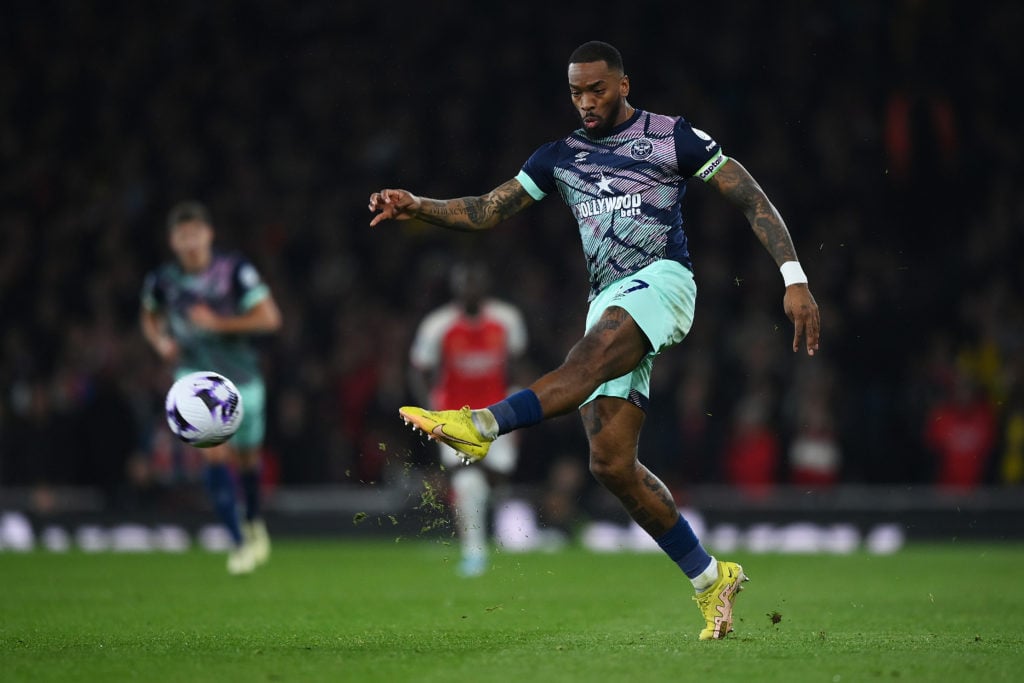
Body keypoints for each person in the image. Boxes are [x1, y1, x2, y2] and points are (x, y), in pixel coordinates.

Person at [370, 41, 820, 640]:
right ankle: (710, 576)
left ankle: (480, 425)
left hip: (663, 281)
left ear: (624, 85)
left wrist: (794, 278)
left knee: (583, 363)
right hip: (608, 299)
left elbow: (747, 193)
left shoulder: (671, 137)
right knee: (611, 463)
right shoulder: (560, 157)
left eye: (597, 90)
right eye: (577, 92)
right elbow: (488, 208)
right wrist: (417, 205)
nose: (586, 102)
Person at [141, 200, 282, 575]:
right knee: (214, 453)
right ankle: (237, 543)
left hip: (243, 378)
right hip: (195, 377)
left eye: (195, 233)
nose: (189, 242)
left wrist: (218, 324)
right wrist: (160, 343)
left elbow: (270, 318)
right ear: (173, 241)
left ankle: (252, 521)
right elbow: (149, 315)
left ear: (208, 234)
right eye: (182, 235)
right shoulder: (163, 280)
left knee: (248, 459)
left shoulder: (233, 271)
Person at [408, 262, 528, 576]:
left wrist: (520, 407)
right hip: (455, 417)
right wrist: (430, 413)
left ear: (486, 286)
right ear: (455, 287)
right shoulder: (438, 325)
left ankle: (503, 532)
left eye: (476, 282)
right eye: (465, 283)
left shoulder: (507, 320)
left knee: (496, 477)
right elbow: (418, 369)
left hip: (498, 414)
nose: (471, 289)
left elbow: (516, 366)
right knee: (467, 481)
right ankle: (474, 552)